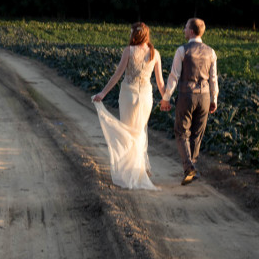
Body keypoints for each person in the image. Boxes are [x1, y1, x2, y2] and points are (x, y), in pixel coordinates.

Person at [92, 22, 165, 190]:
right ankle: (139, 170)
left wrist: (103, 93)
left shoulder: (129, 51)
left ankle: (129, 171)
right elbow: (160, 82)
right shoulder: (155, 54)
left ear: (135, 34)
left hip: (129, 95)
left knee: (127, 131)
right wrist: (166, 99)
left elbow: (117, 75)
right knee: (140, 131)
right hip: (146, 96)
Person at [160, 17, 218, 185]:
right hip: (205, 95)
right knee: (197, 134)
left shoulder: (182, 50)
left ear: (191, 31)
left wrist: (166, 98)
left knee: (181, 131)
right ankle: (191, 167)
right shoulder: (211, 52)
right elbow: (213, 78)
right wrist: (214, 99)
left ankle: (188, 167)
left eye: (185, 28)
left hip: (186, 95)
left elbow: (174, 76)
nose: (184, 30)